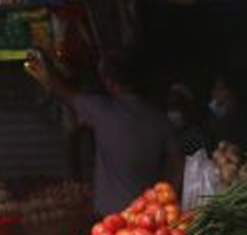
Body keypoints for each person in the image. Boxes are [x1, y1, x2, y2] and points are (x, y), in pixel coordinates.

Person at [28, 50, 178, 216]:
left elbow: (61, 89)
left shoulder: (102, 110)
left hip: (111, 216)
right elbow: (177, 163)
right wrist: (167, 199)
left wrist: (42, 58)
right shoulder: (159, 118)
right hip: (148, 214)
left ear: (109, 83)